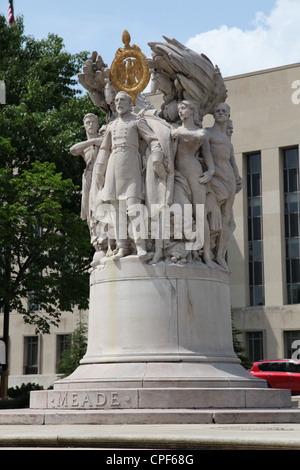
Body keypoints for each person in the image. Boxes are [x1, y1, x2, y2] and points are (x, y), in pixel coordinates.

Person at [94, 91, 165, 260]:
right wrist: (99, 169)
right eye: (117, 100)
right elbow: (104, 148)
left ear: (129, 102)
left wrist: (157, 154)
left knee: (134, 209)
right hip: (114, 165)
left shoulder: (136, 120)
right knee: (117, 211)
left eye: (122, 100)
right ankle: (122, 246)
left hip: (132, 165)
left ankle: (140, 245)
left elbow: (152, 139)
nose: (119, 103)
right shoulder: (112, 125)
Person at [171, 100, 215, 267]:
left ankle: (207, 256)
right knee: (181, 213)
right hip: (178, 175)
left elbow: (205, 148)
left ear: (191, 110)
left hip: (195, 173)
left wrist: (210, 171)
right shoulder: (175, 130)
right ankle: (185, 252)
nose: (181, 112)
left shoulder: (198, 131)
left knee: (200, 214)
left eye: (183, 108)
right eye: (179, 109)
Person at [205, 103, 241, 271]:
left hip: (229, 180)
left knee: (227, 220)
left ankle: (220, 255)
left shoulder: (228, 140)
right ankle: (209, 251)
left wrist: (238, 177)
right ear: (214, 114)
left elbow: (231, 161)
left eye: (223, 111)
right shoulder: (208, 133)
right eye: (218, 111)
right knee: (215, 217)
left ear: (228, 115)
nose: (220, 113)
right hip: (215, 179)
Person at [70, 113, 105, 229]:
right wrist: (92, 142)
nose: (90, 125)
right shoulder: (86, 145)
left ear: (97, 124)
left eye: (93, 122)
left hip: (102, 177)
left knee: (102, 205)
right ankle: (94, 233)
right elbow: (73, 150)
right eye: (88, 123)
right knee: (90, 208)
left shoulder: (104, 138)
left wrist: (96, 140)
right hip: (89, 177)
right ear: (84, 126)